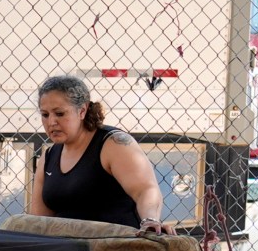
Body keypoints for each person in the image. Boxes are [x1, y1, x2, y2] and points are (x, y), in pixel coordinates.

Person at [29, 74, 167, 233]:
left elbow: (146, 189)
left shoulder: (114, 144)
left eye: (60, 113)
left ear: (82, 111)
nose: (51, 122)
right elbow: (38, 222)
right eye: (45, 115)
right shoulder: (49, 156)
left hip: (112, 248)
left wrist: (149, 220)